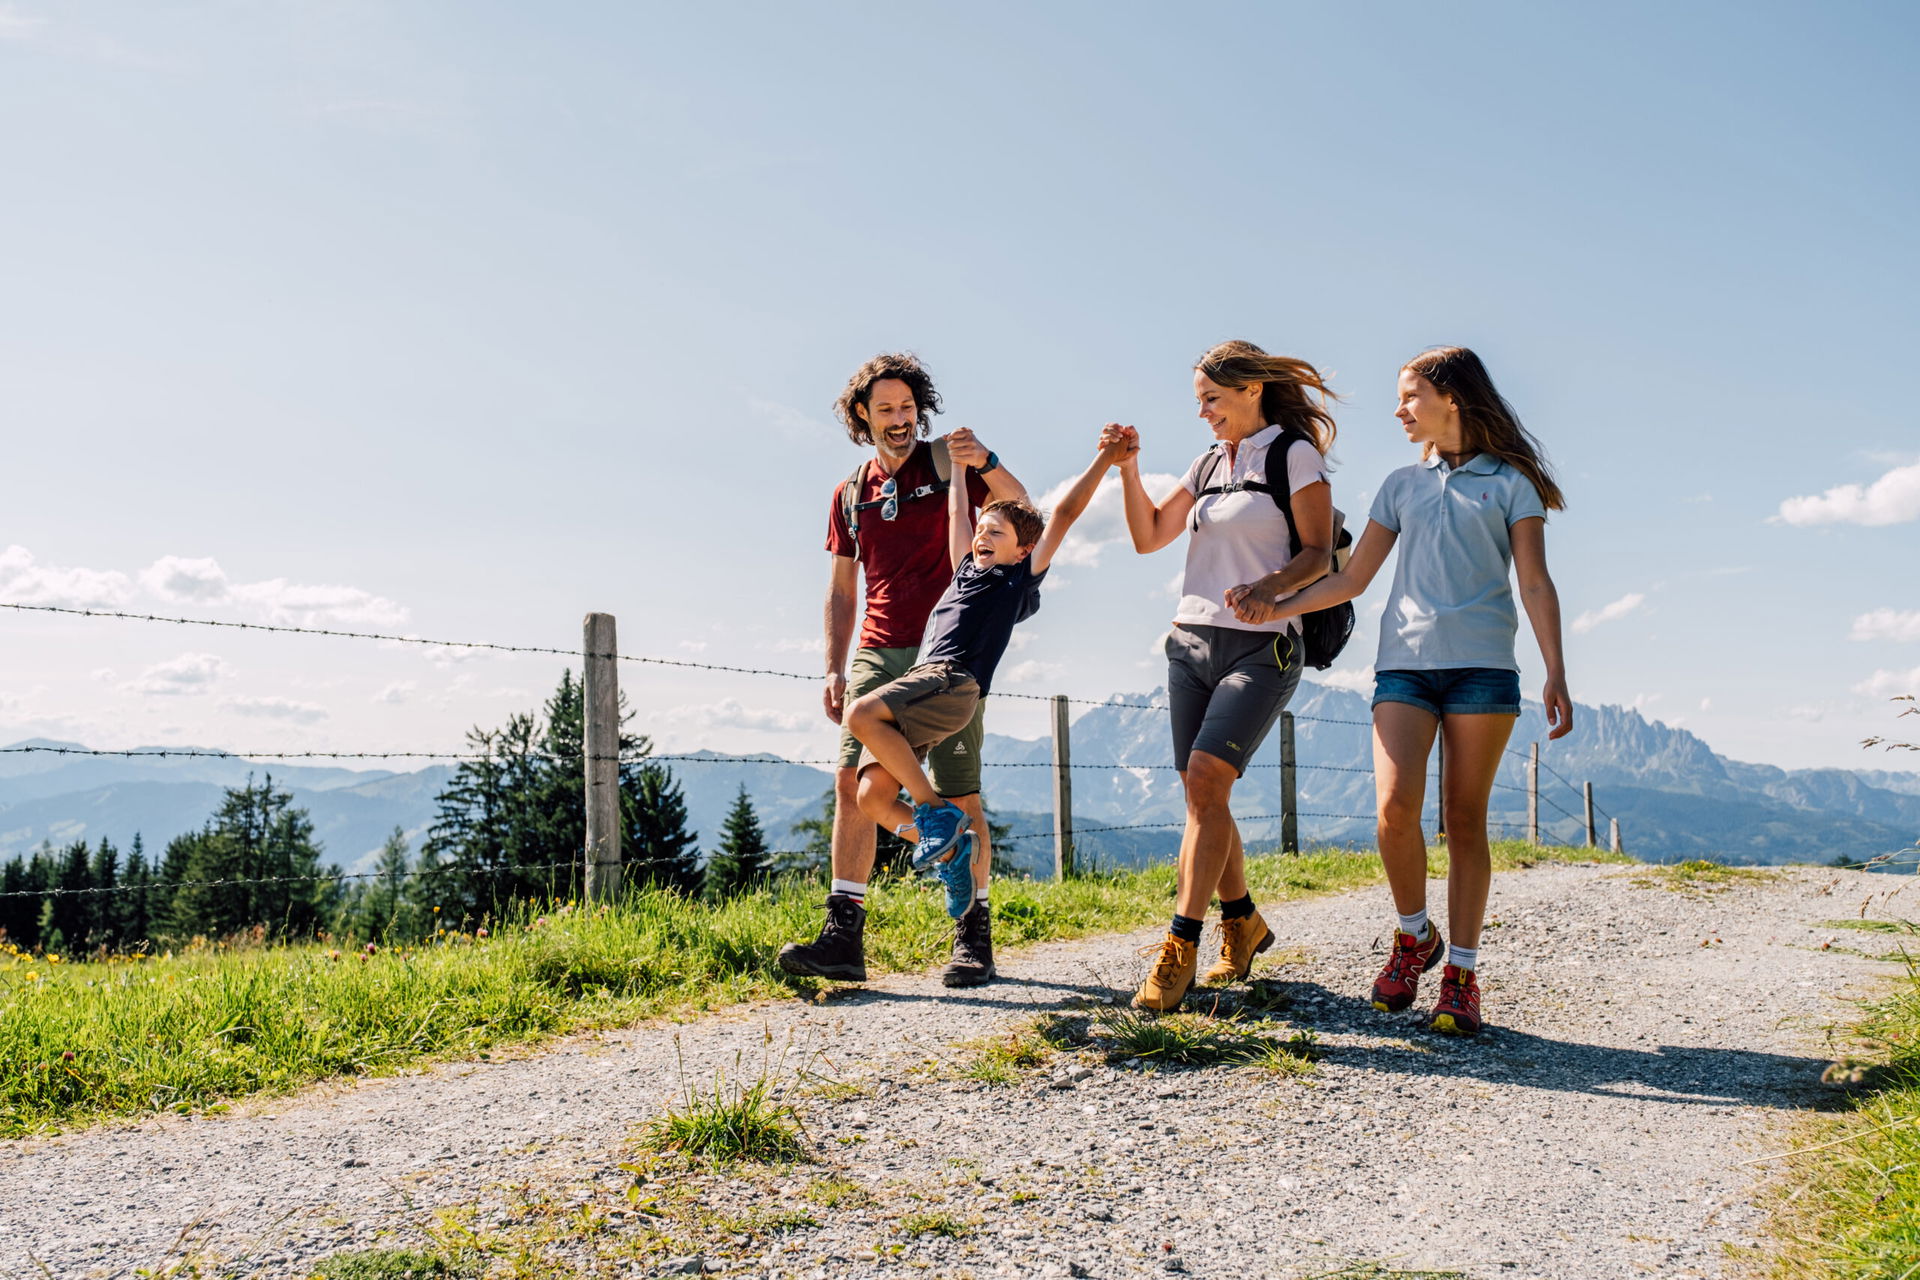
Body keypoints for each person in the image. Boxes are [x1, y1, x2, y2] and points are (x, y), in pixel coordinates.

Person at [1247, 346, 1570, 1034]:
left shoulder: (1511, 483)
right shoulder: (1400, 485)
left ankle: (1460, 971)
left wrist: (1556, 672)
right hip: (1404, 667)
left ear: (1451, 397)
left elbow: (1535, 582)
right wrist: (1272, 606)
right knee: (1394, 811)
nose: (1398, 410)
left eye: (1409, 396)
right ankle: (1412, 935)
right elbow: (1352, 578)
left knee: (1465, 819)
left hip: (1484, 671)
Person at [778, 352, 1027, 989]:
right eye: (886, 409)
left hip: (947, 651)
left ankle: (972, 934)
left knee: (961, 790)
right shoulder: (849, 494)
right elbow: (840, 592)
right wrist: (834, 667)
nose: (900, 420)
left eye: (909, 409)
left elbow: (1023, 514)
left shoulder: (949, 463)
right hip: (876, 649)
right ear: (862, 415)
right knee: (853, 787)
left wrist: (987, 462)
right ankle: (843, 936)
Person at [1104, 340, 1339, 1012]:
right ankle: (1243, 920)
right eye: (1199, 401)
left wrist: (1271, 587)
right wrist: (1130, 470)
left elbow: (1319, 553)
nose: (1204, 412)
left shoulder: (1294, 456)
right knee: (1202, 797)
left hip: (1264, 644)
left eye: (1212, 398)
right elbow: (1150, 536)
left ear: (1252, 389)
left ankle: (1181, 946)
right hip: (1190, 641)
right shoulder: (1206, 462)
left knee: (1207, 781)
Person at [843, 438, 1123, 919]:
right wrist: (954, 468)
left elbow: (1066, 514)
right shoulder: (965, 572)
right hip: (929, 686)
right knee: (871, 797)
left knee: (861, 713)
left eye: (997, 532)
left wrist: (1104, 458)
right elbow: (958, 520)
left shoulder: (1016, 578)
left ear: (1023, 550)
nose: (983, 536)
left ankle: (935, 813)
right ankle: (953, 853)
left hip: (953, 682)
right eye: (984, 528)